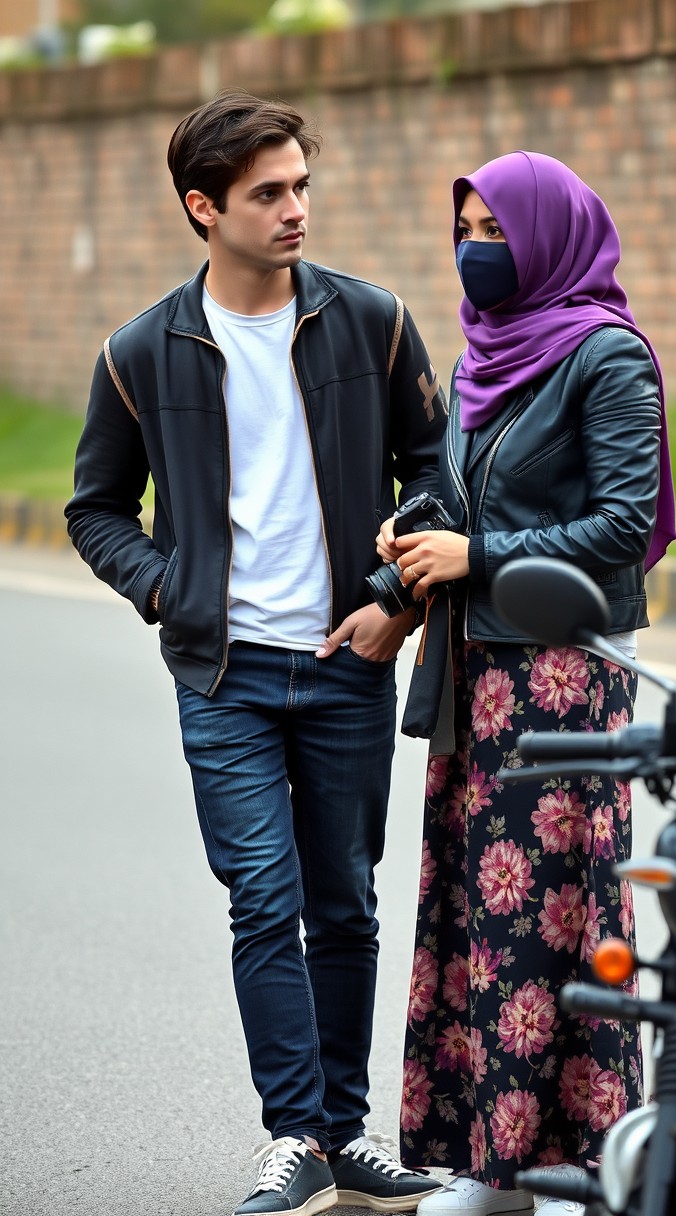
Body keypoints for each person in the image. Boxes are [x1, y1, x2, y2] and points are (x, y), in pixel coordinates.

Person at [65, 89, 448, 1216]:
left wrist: (395, 600)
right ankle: (295, 1133)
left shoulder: (371, 320)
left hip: (346, 659)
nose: (295, 210)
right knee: (261, 893)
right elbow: (95, 508)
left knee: (343, 899)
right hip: (224, 673)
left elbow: (434, 469)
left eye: (301, 186)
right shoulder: (141, 350)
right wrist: (169, 592)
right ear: (204, 208)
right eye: (267, 193)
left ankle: (344, 1132)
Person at [376, 151, 676, 1216]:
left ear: (550, 235)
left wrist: (479, 555)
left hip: (564, 674)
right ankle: (487, 1162)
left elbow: (621, 532)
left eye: (498, 231)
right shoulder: (474, 363)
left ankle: (578, 1168)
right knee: (473, 920)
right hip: (473, 673)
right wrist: (399, 563)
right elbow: (449, 506)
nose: (476, 250)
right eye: (465, 227)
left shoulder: (606, 356)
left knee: (558, 914)